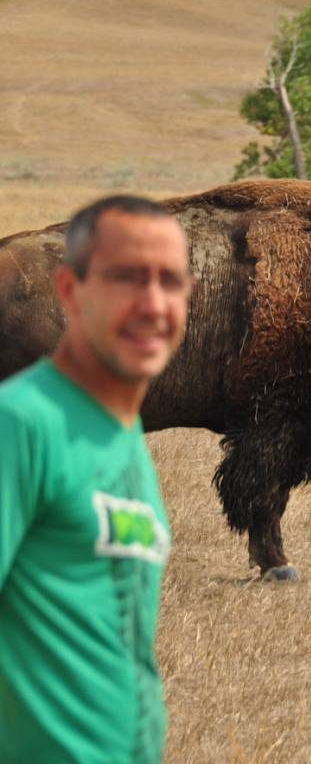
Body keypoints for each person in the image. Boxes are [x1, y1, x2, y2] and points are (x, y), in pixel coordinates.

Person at [0, 195, 192, 764]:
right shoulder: (21, 426)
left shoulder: (123, 435)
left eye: (171, 281)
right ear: (69, 291)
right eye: (126, 279)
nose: (152, 304)